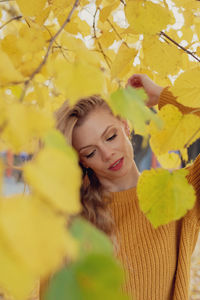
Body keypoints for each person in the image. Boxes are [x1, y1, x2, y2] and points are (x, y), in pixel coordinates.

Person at [55, 74, 200, 300]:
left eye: (110, 136)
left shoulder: (180, 192)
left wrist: (161, 96)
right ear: (82, 161)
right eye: (90, 152)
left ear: (125, 125)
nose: (107, 154)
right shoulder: (71, 218)